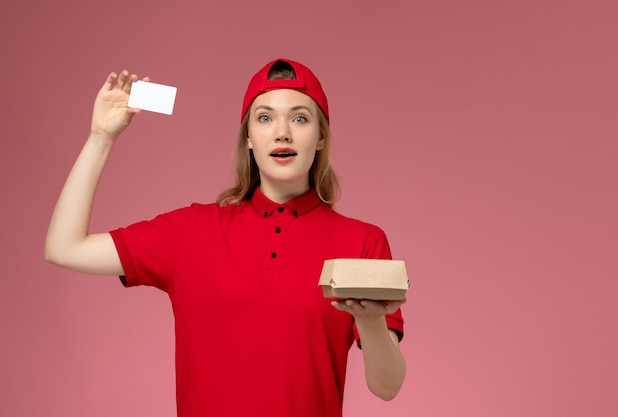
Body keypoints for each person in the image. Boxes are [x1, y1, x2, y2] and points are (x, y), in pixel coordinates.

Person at [45, 58, 406, 417]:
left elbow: (386, 388)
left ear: (321, 136)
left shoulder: (362, 242)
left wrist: (371, 319)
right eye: (265, 118)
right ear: (248, 137)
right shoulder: (190, 231)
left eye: (300, 118)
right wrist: (100, 137)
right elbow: (65, 248)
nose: (283, 132)